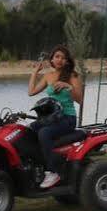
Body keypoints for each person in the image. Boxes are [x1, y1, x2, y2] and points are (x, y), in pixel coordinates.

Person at [28, 44, 84, 189]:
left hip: (67, 117)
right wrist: (35, 73)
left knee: (44, 133)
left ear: (67, 61)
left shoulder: (73, 75)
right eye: (57, 57)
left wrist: (68, 86)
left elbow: (80, 100)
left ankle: (53, 171)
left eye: (63, 58)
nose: (60, 60)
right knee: (29, 130)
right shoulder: (48, 76)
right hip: (51, 117)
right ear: (51, 59)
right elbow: (31, 92)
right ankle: (36, 167)